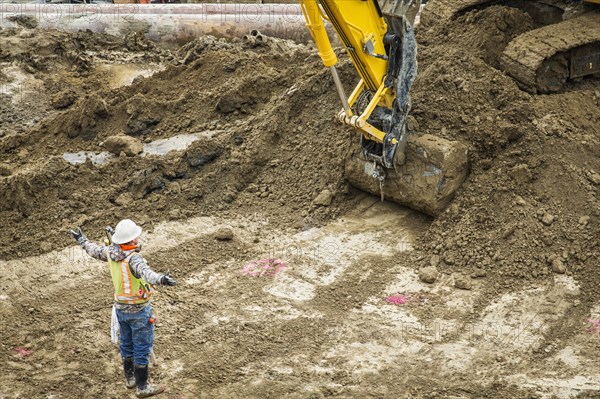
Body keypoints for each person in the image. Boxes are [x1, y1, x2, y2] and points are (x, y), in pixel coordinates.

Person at [69, 219, 176, 398]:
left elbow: (93, 250)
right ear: (132, 240)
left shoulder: (111, 252)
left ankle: (130, 379)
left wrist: (82, 239)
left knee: (126, 344)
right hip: (139, 312)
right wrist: (161, 279)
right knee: (142, 347)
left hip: (121, 310)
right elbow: (146, 273)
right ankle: (142, 387)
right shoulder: (134, 259)